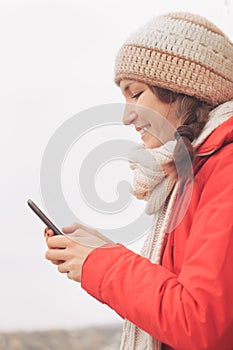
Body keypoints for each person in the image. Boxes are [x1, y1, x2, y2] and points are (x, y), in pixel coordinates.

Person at [44, 12, 233, 350]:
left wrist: (98, 263)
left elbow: (200, 323)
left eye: (136, 93)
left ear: (181, 90)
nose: (126, 116)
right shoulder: (195, 172)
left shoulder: (226, 169)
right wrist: (103, 251)